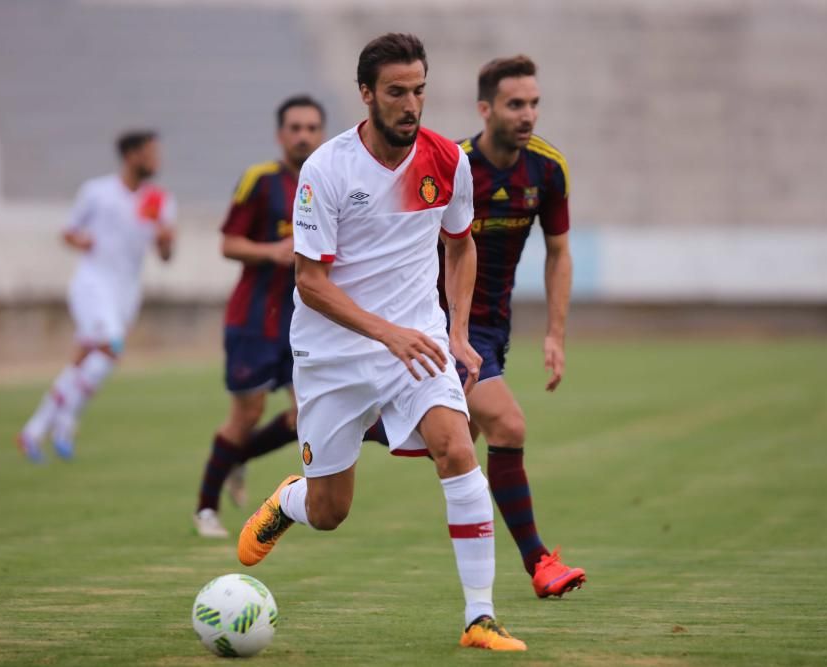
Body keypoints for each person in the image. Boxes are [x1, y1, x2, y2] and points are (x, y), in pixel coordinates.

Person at [238, 33, 526, 651]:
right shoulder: (327, 168)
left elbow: (461, 242)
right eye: (396, 92)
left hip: (416, 344)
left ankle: (480, 617)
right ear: (366, 94)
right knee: (331, 511)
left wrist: (455, 331)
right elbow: (310, 283)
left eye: (419, 90)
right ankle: (289, 502)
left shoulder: (448, 159)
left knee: (455, 447)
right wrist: (386, 333)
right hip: (334, 354)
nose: (410, 104)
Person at [454, 55, 585, 597]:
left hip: (495, 329)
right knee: (507, 425)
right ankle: (539, 564)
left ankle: (323, 445)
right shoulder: (453, 165)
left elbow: (559, 253)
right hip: (445, 324)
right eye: (515, 104)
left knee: (449, 442)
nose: (527, 114)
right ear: (486, 109)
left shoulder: (548, 169)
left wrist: (554, 333)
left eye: (533, 103)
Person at [192, 96, 326, 538]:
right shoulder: (260, 181)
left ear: (321, 133)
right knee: (246, 413)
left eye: (311, 127)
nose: (303, 135)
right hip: (254, 319)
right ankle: (206, 508)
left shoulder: (329, 180)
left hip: (304, 320)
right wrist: (271, 251)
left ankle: (239, 458)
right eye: (295, 127)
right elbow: (228, 243)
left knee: (304, 415)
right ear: (280, 134)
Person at [17, 130, 175, 462]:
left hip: (126, 291)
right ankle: (64, 421)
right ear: (132, 155)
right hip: (93, 282)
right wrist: (82, 242)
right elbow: (68, 232)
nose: (156, 160)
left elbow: (165, 255)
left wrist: (164, 237)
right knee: (109, 345)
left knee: (92, 357)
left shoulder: (158, 199)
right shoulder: (97, 192)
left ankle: (36, 429)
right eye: (150, 153)